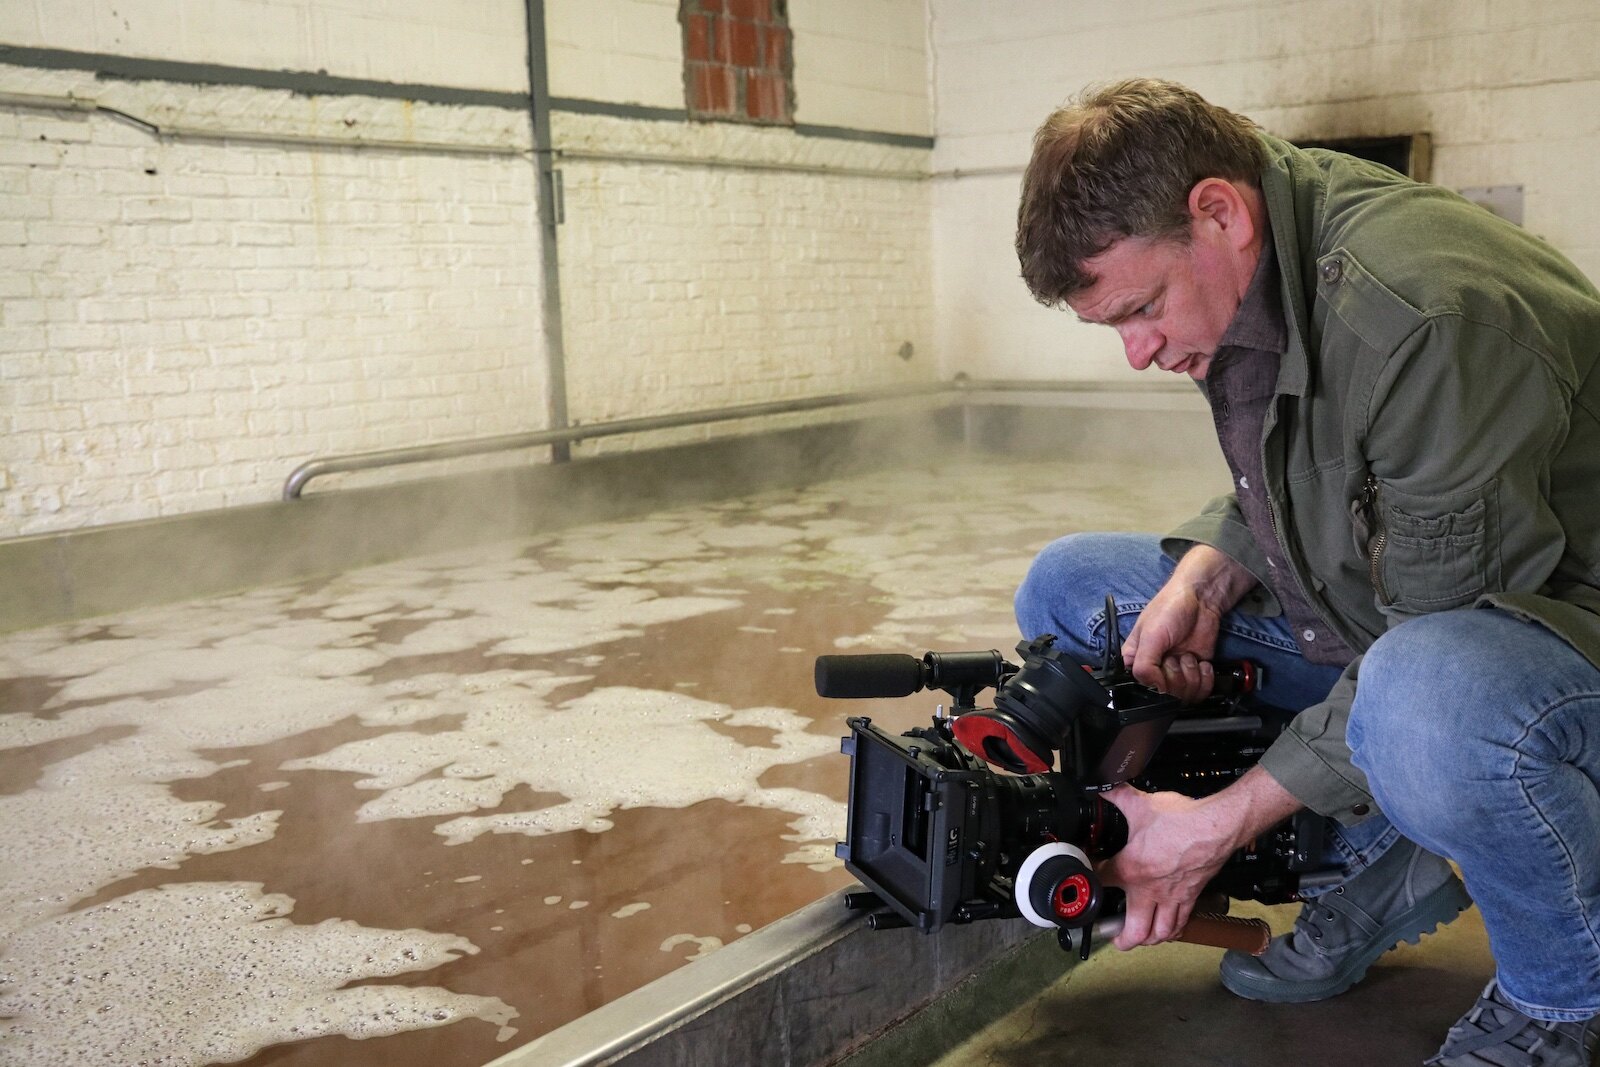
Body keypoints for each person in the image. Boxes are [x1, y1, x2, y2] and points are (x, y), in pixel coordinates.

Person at [1011, 78, 1600, 1066]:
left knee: (1423, 706)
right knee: (1074, 593)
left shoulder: (1419, 318)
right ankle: (1376, 857)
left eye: (1143, 307)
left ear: (1216, 211)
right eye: (1111, 325)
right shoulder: (1259, 258)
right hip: (1424, 608)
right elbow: (1305, 472)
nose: (1136, 352)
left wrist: (1218, 822)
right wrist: (1209, 571)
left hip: (1557, 629)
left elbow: (1438, 625)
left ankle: (1562, 996)